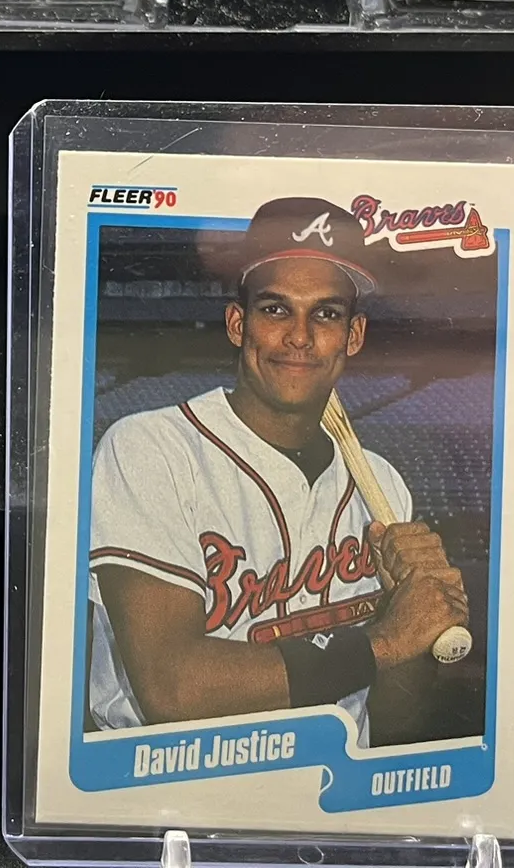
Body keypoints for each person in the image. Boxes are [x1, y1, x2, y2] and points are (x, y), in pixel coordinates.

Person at [87, 198, 469, 744]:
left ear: (354, 335)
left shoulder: (380, 485)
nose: (300, 336)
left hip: (334, 782)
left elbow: (393, 723)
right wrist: (385, 641)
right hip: (179, 781)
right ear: (237, 324)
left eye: (326, 314)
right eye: (275, 310)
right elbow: (172, 690)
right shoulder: (153, 449)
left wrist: (416, 624)